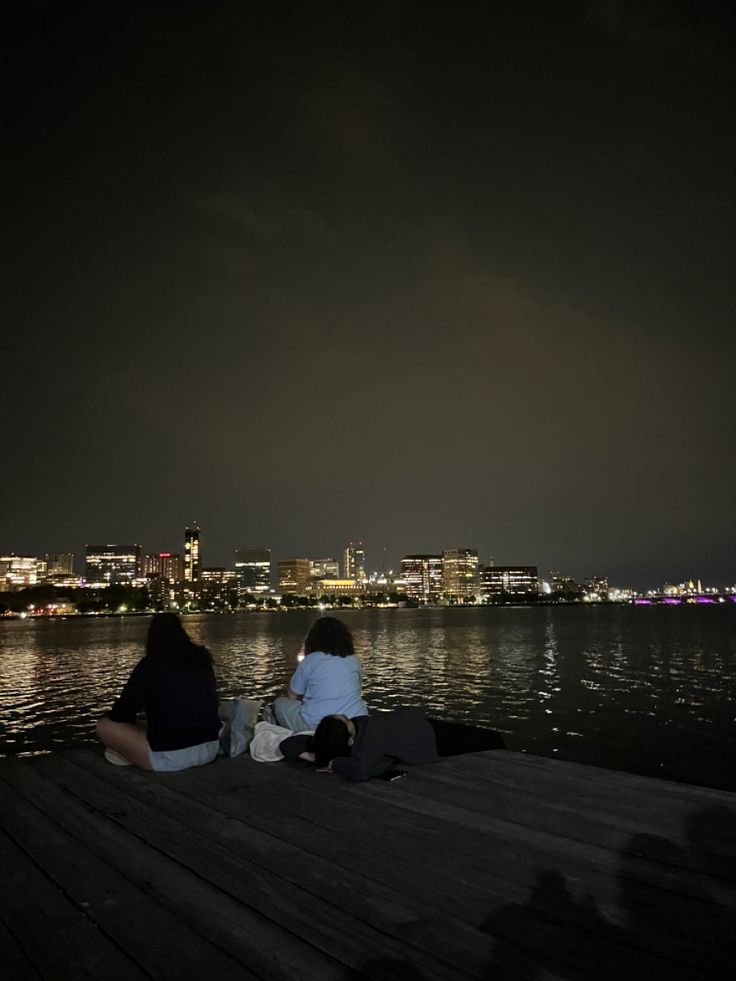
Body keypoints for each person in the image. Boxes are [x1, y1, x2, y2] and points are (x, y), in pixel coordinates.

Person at [95, 612, 220, 771]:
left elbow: (121, 713)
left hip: (171, 758)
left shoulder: (151, 664)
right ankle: (131, 753)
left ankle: (129, 755)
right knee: (153, 723)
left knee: (104, 726)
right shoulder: (201, 659)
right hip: (210, 748)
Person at [280, 708, 505, 781]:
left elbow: (289, 744)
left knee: (485, 737)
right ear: (349, 739)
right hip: (433, 738)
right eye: (347, 722)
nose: (351, 719)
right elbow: (359, 771)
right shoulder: (368, 746)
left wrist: (311, 756)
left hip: (421, 725)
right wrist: (335, 763)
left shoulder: (332, 740)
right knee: (493, 739)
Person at [271, 616, 368, 732]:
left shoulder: (310, 661)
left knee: (278, 704)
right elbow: (357, 690)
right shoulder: (353, 659)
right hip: (356, 720)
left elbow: (292, 695)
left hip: (319, 725)